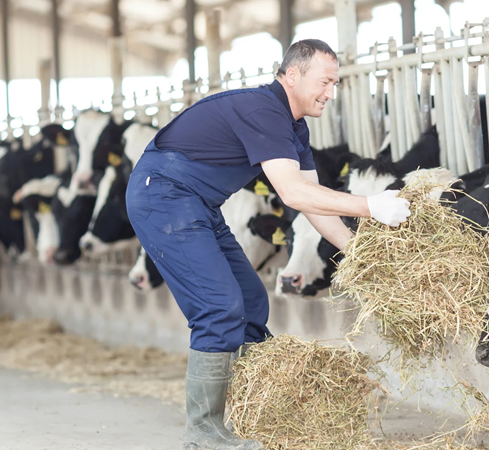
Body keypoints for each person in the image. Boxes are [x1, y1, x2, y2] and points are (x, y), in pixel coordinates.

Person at [125, 39, 411, 450]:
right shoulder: (263, 110)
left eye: (334, 84)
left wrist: (357, 253)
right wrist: (370, 206)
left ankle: (258, 413)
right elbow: (293, 193)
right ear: (292, 75)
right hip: (164, 196)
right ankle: (203, 434)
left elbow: (310, 200)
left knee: (251, 301)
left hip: (198, 204)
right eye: (325, 82)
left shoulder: (294, 127)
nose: (330, 93)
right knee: (218, 307)